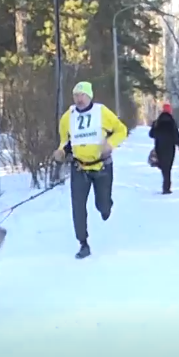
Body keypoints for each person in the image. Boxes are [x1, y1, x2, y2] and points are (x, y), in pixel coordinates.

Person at [52, 81, 128, 259]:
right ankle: (83, 243)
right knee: (78, 206)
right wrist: (61, 152)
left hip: (102, 166)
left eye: (82, 95)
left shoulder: (101, 112)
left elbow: (121, 130)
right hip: (79, 168)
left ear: (90, 96)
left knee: (102, 205)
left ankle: (106, 207)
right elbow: (65, 141)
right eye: (76, 95)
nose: (79, 99)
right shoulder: (67, 117)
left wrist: (110, 144)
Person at [148, 103, 179, 194]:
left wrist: (155, 129)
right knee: (168, 167)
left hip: (159, 147)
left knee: (164, 166)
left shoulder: (157, 122)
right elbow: (176, 135)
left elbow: (151, 134)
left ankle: (166, 185)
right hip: (170, 148)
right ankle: (166, 187)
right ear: (170, 111)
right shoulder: (172, 122)